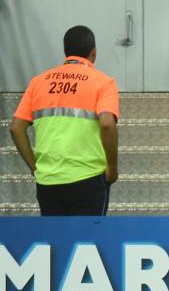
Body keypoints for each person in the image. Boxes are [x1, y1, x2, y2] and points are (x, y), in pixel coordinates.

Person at [9, 25, 119, 216]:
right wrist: (112, 167)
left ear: (65, 52)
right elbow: (107, 123)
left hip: (48, 181)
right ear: (93, 53)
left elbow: (16, 127)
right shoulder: (103, 82)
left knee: (56, 242)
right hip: (88, 178)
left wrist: (35, 167)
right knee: (88, 242)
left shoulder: (38, 82)